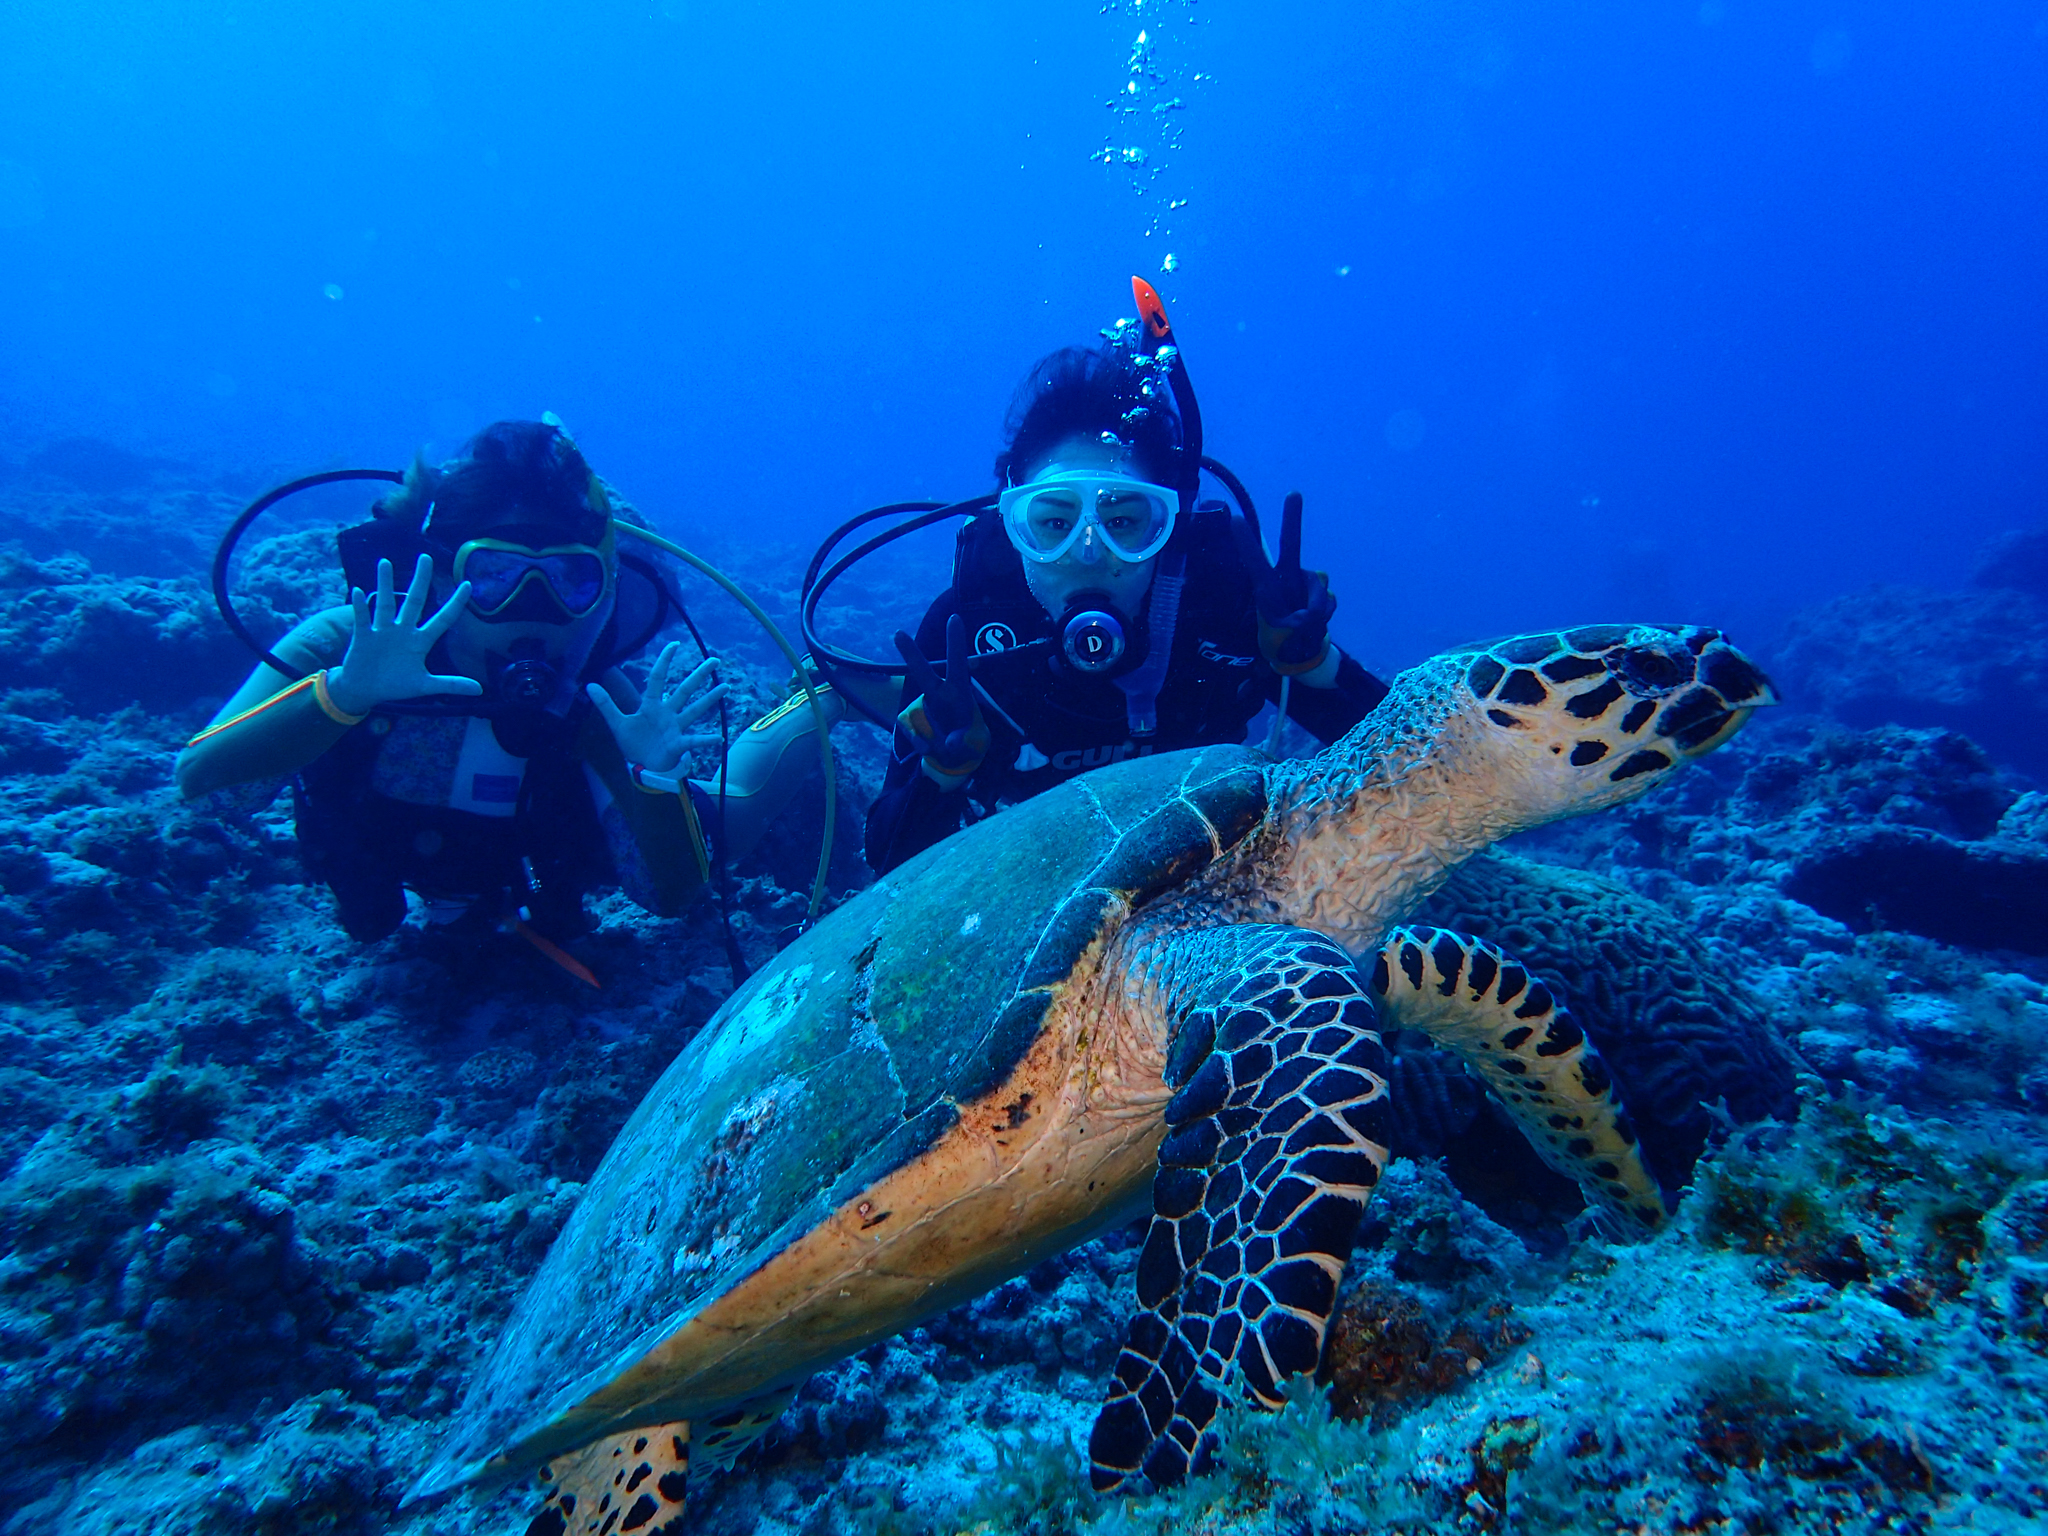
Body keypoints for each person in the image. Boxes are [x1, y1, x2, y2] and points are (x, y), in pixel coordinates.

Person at [176, 420, 829, 971]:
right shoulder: (352, 647)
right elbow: (204, 783)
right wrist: (345, 695)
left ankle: (825, 691)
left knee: (732, 818)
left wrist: (656, 784)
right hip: (400, 864)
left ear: (599, 591)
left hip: (542, 878)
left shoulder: (594, 697)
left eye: (569, 580)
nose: (535, 611)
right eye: (494, 576)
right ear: (437, 572)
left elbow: (674, 894)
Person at [864, 338, 1390, 875]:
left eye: (1122, 522)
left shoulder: (1230, 610)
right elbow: (888, 864)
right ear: (1012, 526)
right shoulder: (965, 639)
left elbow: (1401, 761)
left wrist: (1312, 667)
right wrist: (942, 776)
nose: (1088, 555)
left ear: (1168, 528)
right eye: (1052, 522)